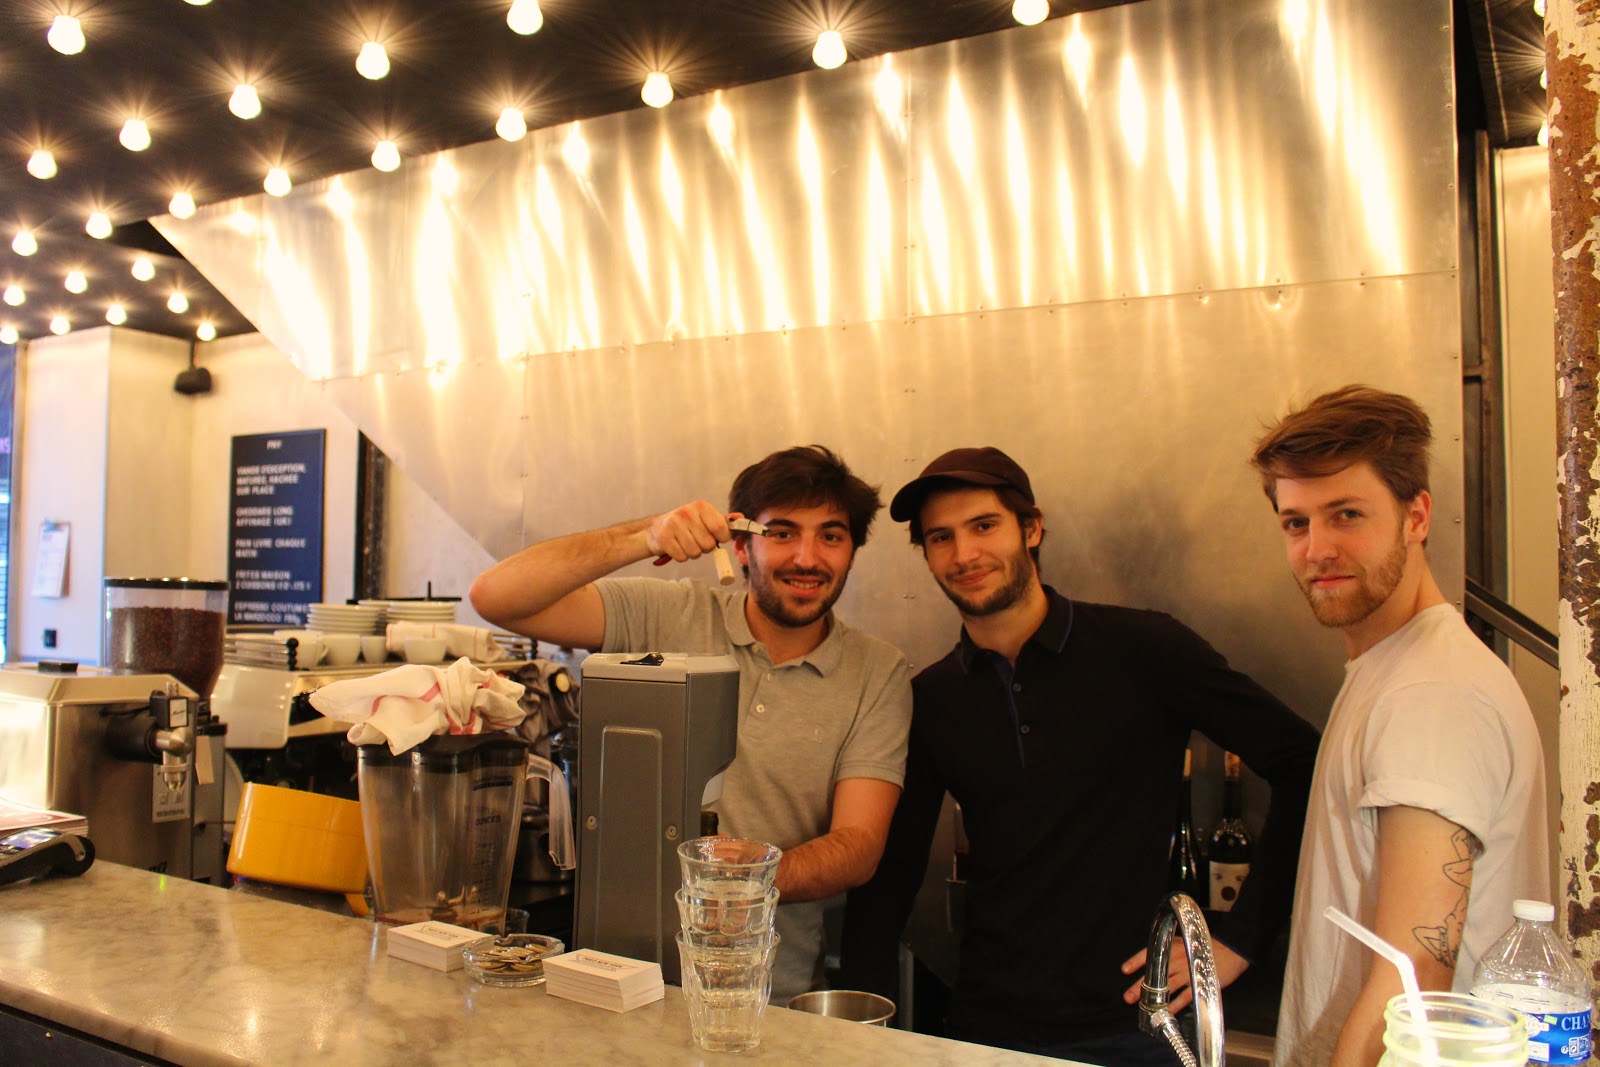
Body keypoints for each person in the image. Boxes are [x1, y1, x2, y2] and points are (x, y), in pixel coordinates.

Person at [838, 446, 1319, 1065]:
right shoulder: (931, 698)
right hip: (986, 1023)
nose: (964, 554)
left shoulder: (1146, 649)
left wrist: (1241, 940)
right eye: (941, 538)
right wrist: (853, 1030)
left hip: (1138, 1024)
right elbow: (892, 876)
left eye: (984, 526)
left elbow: (1304, 763)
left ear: (1031, 528)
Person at [468, 444, 912, 1003]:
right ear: (741, 545)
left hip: (765, 994)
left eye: (831, 535)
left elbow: (858, 845)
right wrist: (646, 536)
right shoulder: (670, 614)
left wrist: (753, 872)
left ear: (851, 551)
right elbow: (497, 597)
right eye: (782, 532)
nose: (807, 557)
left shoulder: (877, 672)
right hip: (613, 981)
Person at [1249, 385, 1550, 1066]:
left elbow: (1412, 977)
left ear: (1416, 516)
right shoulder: (1396, 668)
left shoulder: (1429, 694)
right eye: (1296, 523)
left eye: (1347, 514)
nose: (1317, 548)